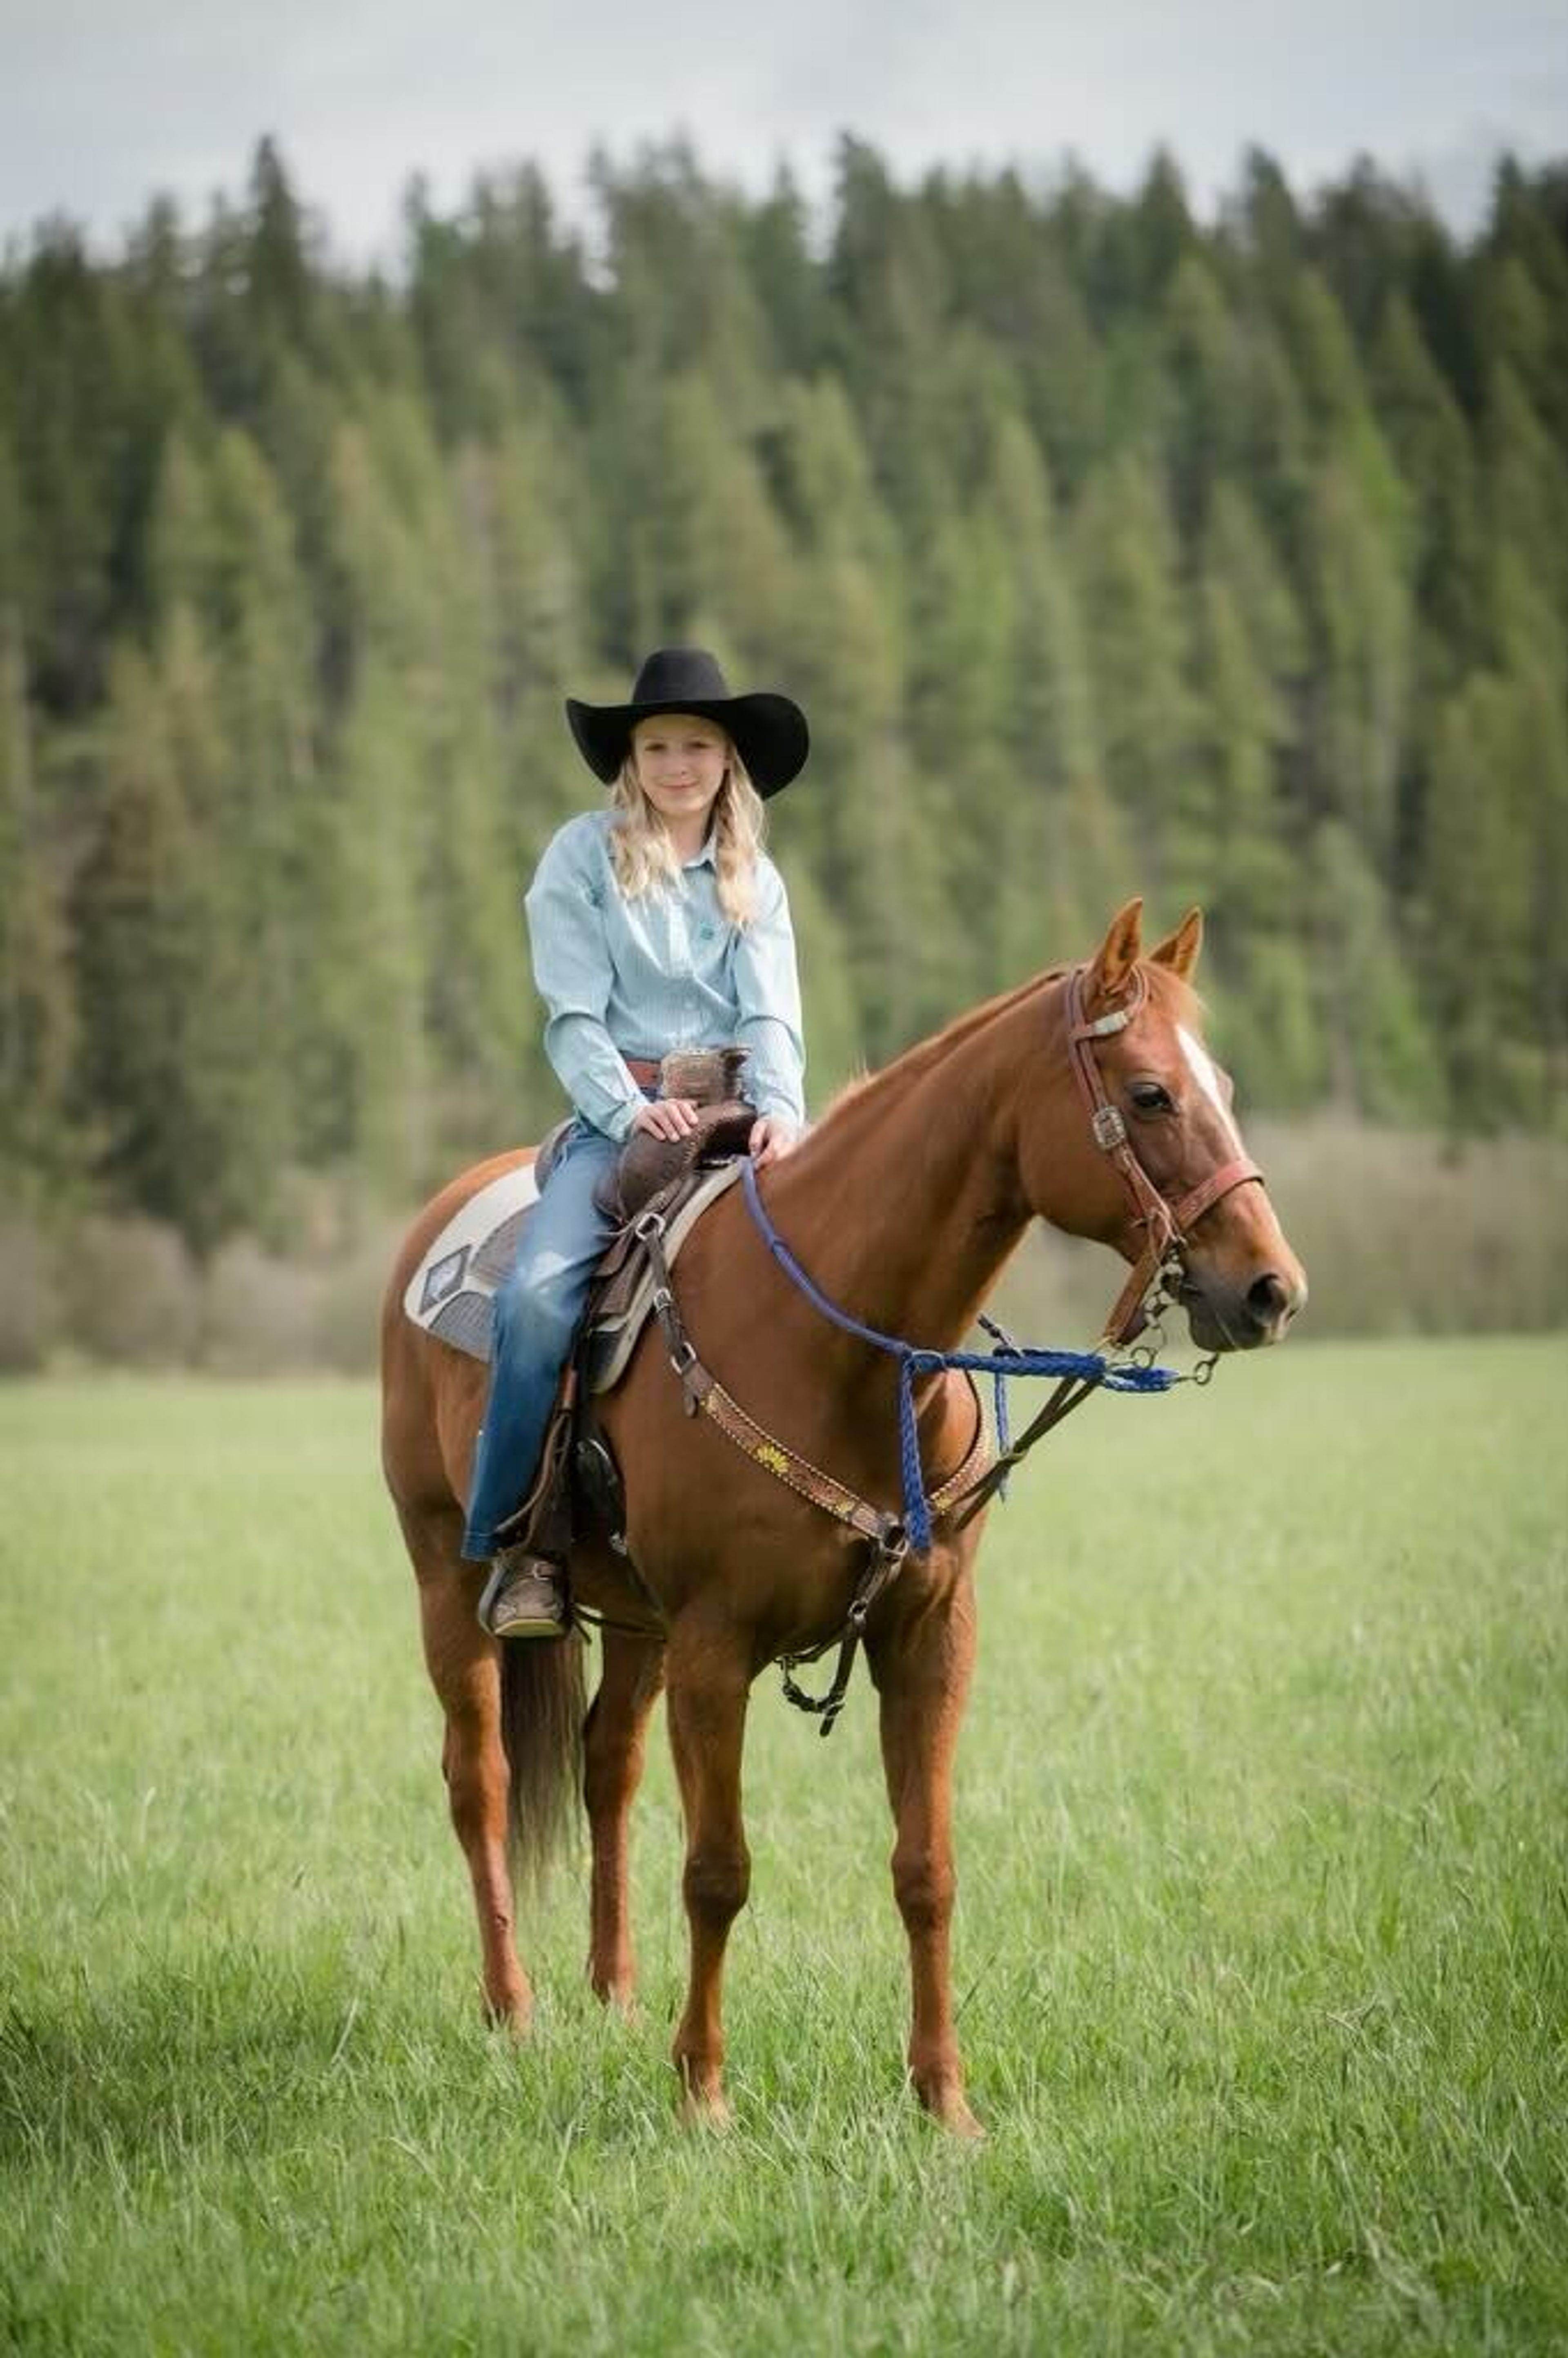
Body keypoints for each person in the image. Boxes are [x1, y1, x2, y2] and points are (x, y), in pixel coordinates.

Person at [464, 646, 811, 1637]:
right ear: (632, 760)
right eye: (657, 745)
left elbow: (774, 1015)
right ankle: (520, 1546)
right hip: (624, 1121)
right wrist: (628, 1109)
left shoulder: (758, 879)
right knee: (535, 1300)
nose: (677, 764)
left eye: (697, 745)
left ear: (727, 759)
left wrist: (783, 1106)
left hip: (746, 1117)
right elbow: (571, 1015)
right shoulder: (580, 857)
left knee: (836, 1263)